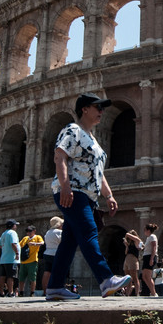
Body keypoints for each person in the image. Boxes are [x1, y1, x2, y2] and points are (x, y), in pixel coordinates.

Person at [46, 93, 131, 300]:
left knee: (69, 242)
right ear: (84, 109)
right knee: (88, 231)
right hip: (73, 192)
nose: (101, 111)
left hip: (87, 195)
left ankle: (55, 287)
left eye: (102, 108)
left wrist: (109, 196)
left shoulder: (94, 140)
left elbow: (98, 174)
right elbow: (60, 157)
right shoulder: (72, 130)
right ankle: (106, 279)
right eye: (97, 107)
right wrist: (65, 186)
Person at [0, 219, 21, 297]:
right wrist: (17, 253)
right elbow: (13, 244)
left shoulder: (4, 233)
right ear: (12, 226)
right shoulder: (12, 233)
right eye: (15, 225)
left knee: (2, 276)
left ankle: (1, 292)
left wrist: (5, 248)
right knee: (11, 276)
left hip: (3, 258)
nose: (16, 226)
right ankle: (10, 292)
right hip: (11, 259)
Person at [40, 216, 64, 294]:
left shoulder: (48, 232)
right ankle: (57, 288)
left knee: (47, 272)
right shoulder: (59, 232)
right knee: (58, 271)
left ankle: (45, 291)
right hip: (56, 253)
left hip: (47, 253)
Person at [18, 225, 44, 297]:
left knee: (32, 277)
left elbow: (42, 243)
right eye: (27, 231)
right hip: (23, 261)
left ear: (34, 231)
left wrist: (35, 244)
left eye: (30, 231)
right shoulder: (25, 238)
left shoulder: (37, 237)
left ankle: (32, 292)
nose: (28, 233)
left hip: (32, 260)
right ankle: (21, 292)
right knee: (21, 277)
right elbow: (19, 246)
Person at [141, 223, 159, 297]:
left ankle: (153, 293)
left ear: (148, 230)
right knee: (144, 276)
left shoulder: (152, 236)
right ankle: (152, 292)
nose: (144, 231)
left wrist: (151, 259)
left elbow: (154, 247)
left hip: (149, 257)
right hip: (146, 257)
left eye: (145, 230)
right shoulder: (148, 238)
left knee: (148, 276)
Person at [123, 229, 142, 296]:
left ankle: (137, 293)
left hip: (133, 259)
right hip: (127, 259)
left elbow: (127, 234)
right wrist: (127, 246)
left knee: (134, 277)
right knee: (128, 278)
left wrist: (126, 237)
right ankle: (127, 294)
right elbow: (126, 252)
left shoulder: (137, 241)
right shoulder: (129, 243)